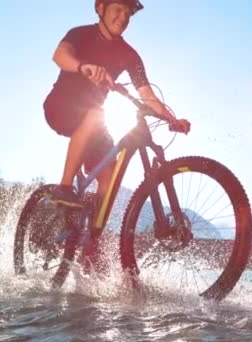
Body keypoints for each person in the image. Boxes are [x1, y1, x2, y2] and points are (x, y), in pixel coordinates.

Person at [43, 0, 190, 271]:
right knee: (95, 114)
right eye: (117, 10)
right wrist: (82, 66)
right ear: (100, 8)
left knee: (109, 177)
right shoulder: (80, 33)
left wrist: (171, 118)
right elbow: (59, 55)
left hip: (93, 121)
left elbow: (146, 94)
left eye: (128, 13)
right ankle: (64, 188)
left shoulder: (129, 54)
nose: (122, 17)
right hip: (60, 106)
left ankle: (90, 243)